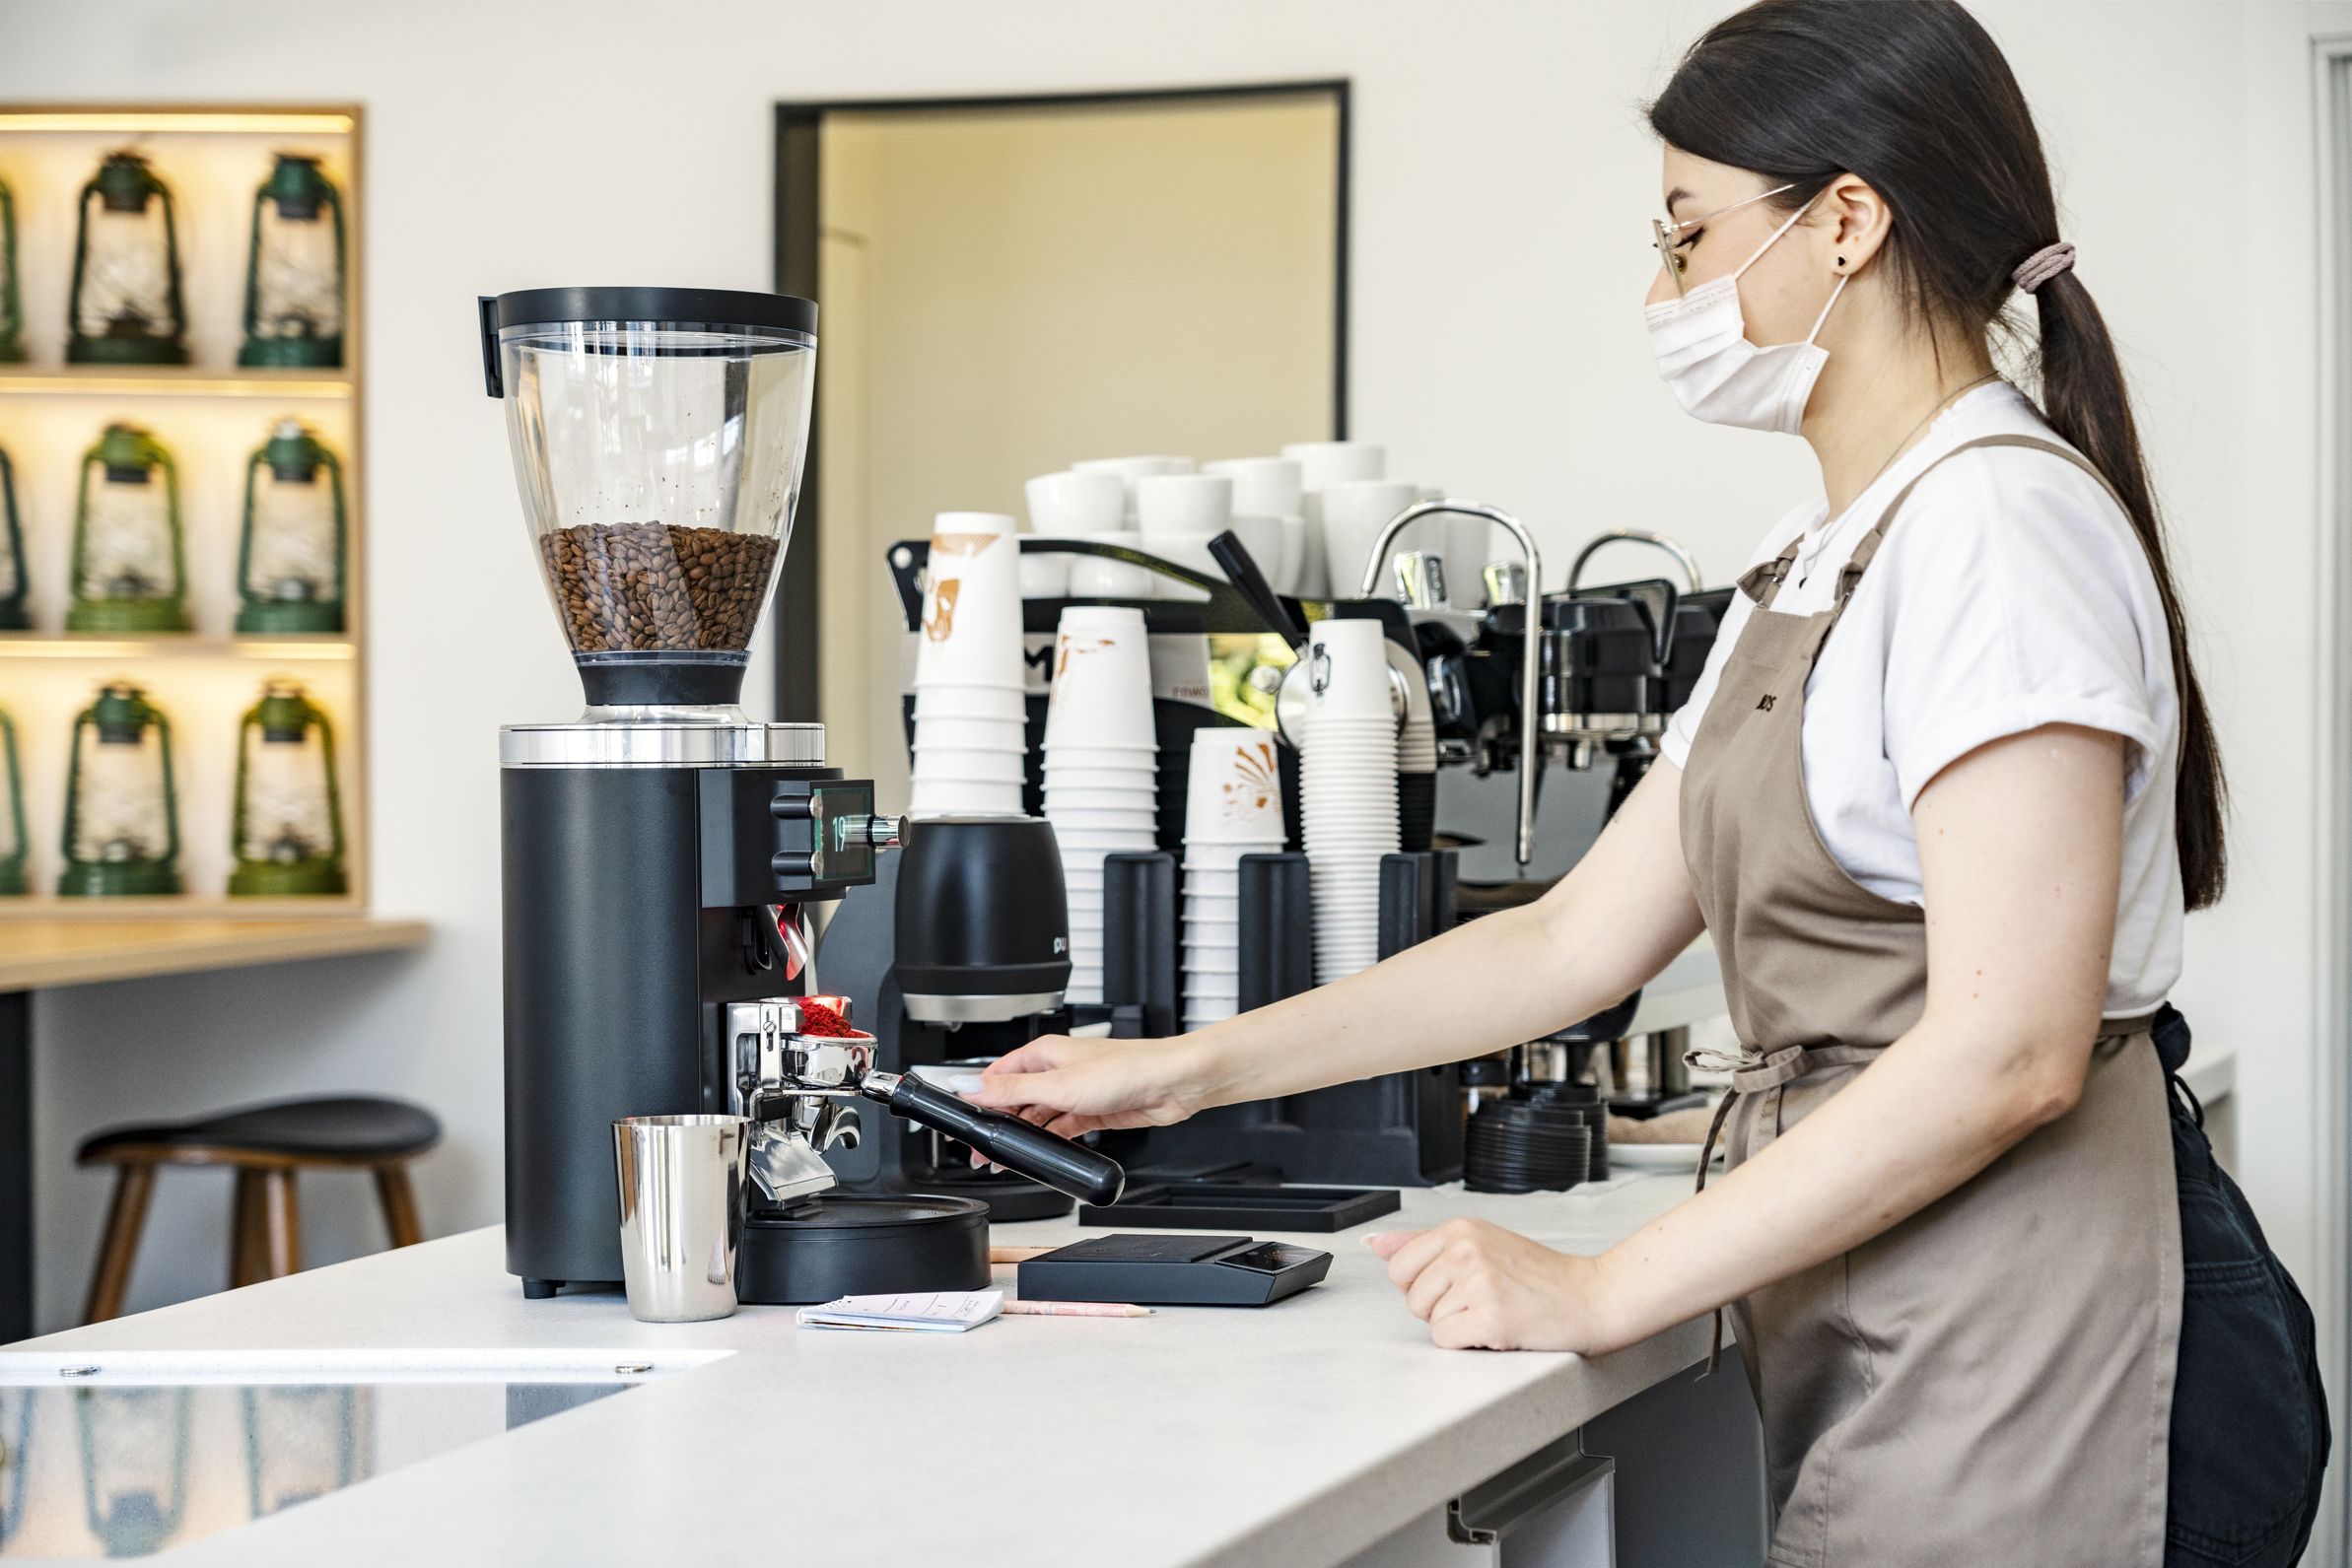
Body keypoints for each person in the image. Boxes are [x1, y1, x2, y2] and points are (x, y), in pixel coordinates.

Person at [973, 2, 2327, 1562]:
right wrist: (1183, 1069)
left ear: (1844, 221)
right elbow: (1568, 944)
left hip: (2052, 1321)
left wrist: (1607, 1285)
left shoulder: (1994, 531)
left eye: (1686, 235)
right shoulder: (1825, 558)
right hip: (1912, 1300)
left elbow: (2008, 1050)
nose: (1661, 288)